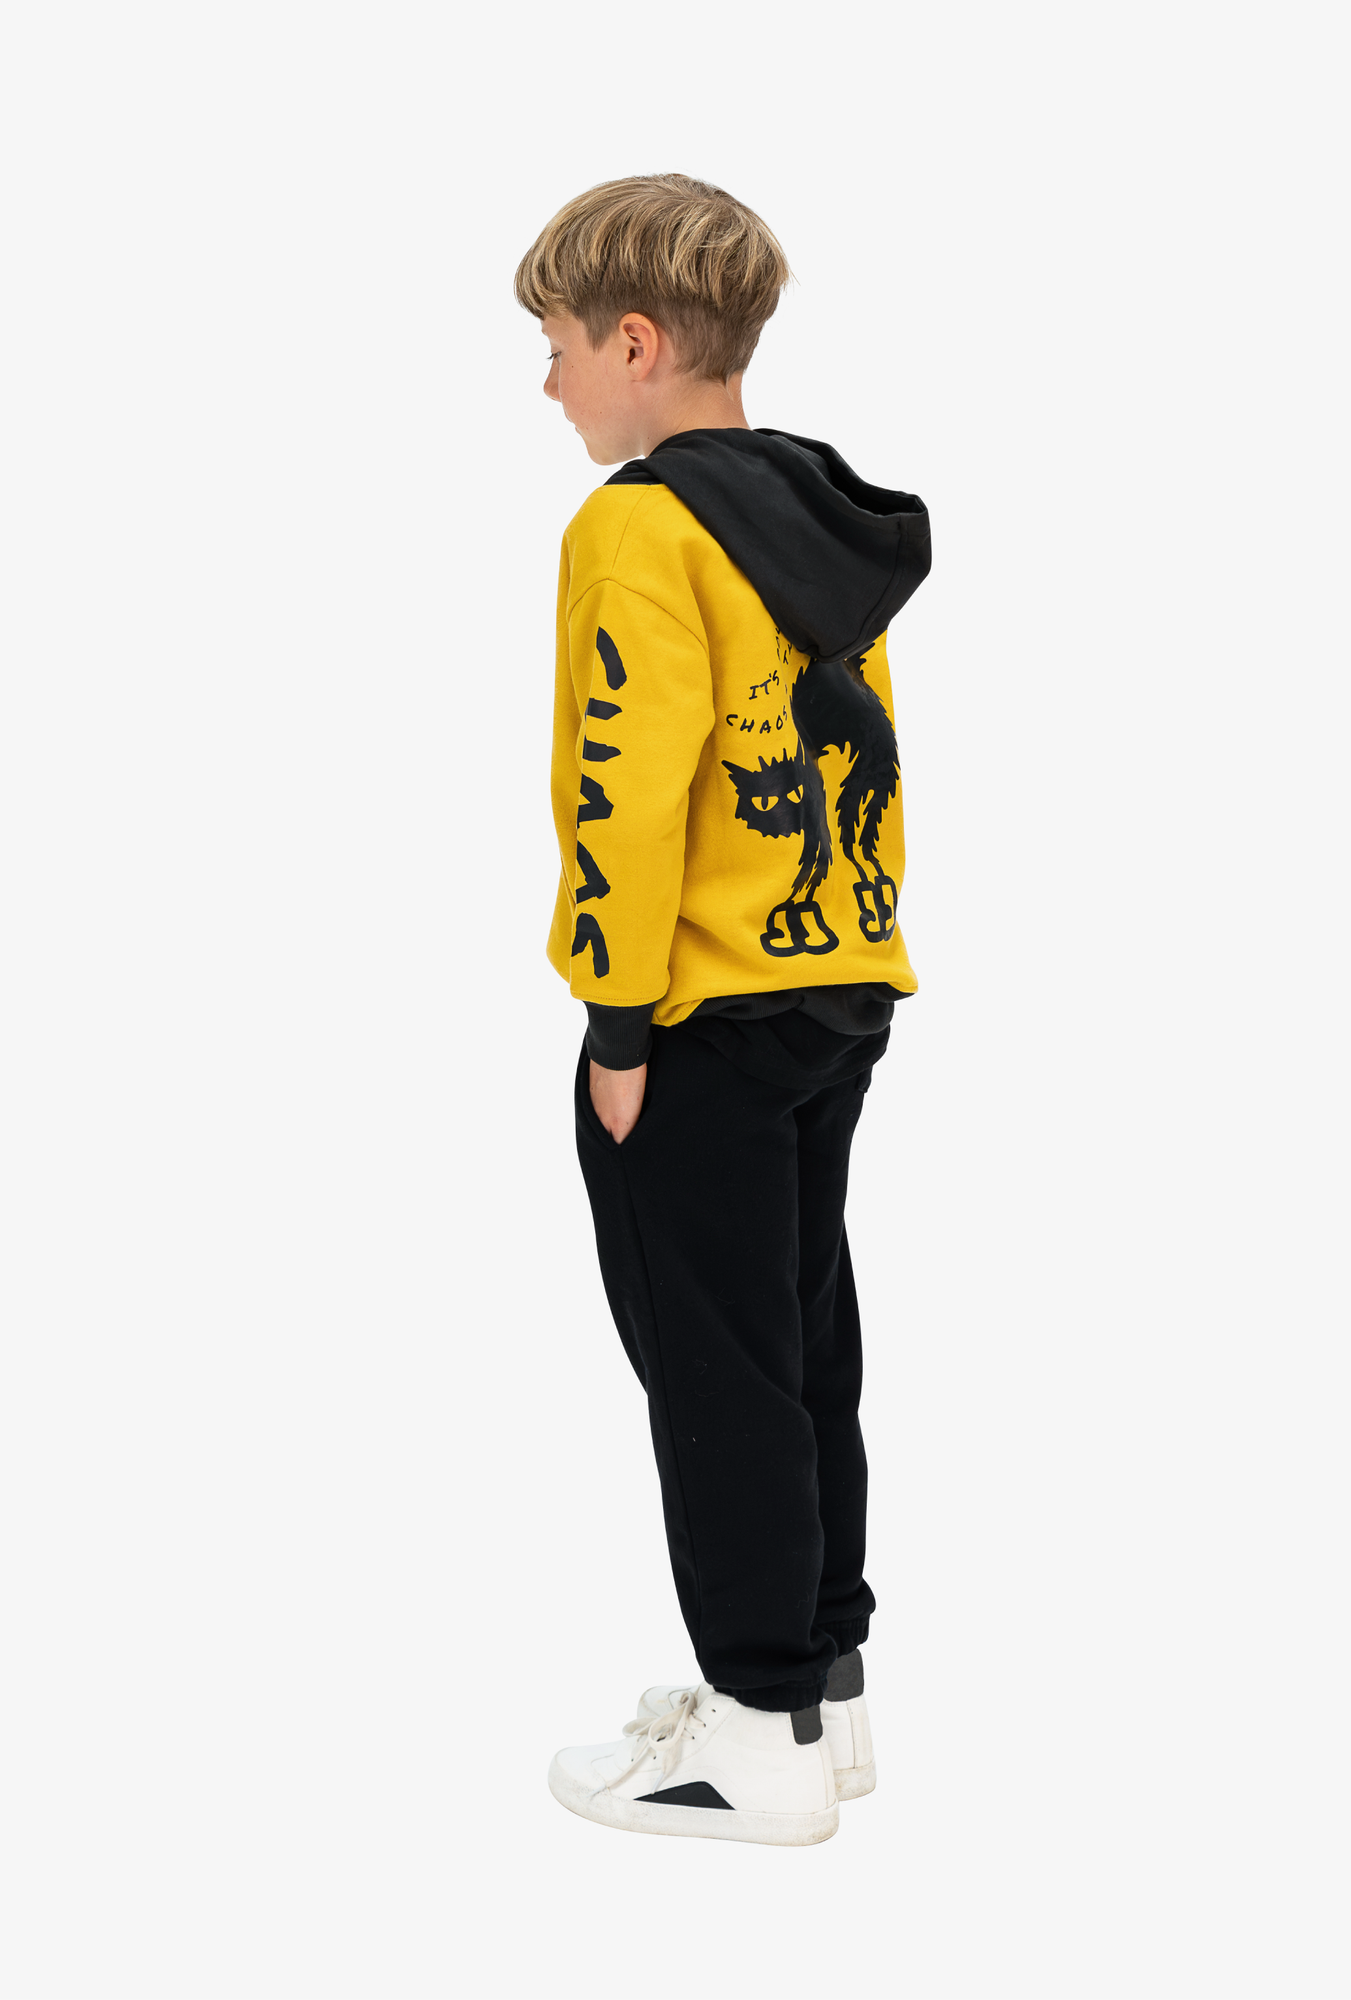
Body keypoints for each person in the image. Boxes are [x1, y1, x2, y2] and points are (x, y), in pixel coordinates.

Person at [516, 175, 929, 1846]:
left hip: (697, 1009)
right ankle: (823, 1696)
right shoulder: (812, 515)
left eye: (557, 345)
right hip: (838, 978)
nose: (548, 382)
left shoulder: (641, 526)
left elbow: (623, 784)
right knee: (803, 1344)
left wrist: (618, 1027)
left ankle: (754, 1732)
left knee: (715, 1372)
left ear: (636, 342)